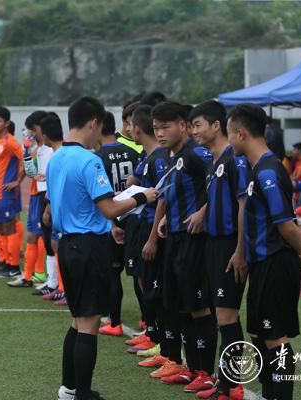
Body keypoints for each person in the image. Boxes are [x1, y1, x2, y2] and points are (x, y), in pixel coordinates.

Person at [47, 96, 156, 400]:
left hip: (67, 245)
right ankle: (82, 392)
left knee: (77, 320)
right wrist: (142, 196)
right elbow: (109, 208)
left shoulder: (56, 158)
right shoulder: (89, 160)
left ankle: (69, 389)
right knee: (89, 323)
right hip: (89, 247)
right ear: (94, 122)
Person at [228, 103, 301, 400]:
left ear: (241, 133)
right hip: (262, 263)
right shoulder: (259, 168)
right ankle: (268, 393)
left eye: (230, 133)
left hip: (275, 263)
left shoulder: (267, 171)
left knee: (275, 337)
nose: (229, 140)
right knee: (258, 333)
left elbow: (286, 223)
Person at [149, 102, 216, 391]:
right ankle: (190, 368)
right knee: (182, 306)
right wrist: (165, 219)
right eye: (156, 128)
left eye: (165, 127)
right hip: (174, 239)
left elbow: (221, 182)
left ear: (183, 126)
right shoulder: (170, 156)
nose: (160, 133)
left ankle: (207, 372)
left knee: (199, 308)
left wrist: (203, 211)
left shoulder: (196, 153)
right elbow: (171, 193)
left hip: (193, 240)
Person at [189, 100, 248, 398]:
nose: (194, 131)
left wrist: (240, 250)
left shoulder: (234, 160)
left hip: (228, 245)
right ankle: (225, 382)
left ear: (216, 125)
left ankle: (230, 386)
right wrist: (203, 211)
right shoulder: (214, 162)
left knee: (227, 317)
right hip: (212, 245)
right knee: (221, 315)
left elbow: (243, 205)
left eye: (198, 125)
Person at [127, 104, 171, 367]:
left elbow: (163, 197)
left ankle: (162, 341)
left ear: (137, 128)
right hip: (142, 224)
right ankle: (154, 334)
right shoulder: (149, 156)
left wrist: (153, 236)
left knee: (155, 286)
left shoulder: (160, 158)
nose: (127, 129)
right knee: (144, 281)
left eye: (129, 124)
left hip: (153, 227)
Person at [95, 111, 141, 336]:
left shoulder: (97, 157)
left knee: (113, 272)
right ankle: (146, 321)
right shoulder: (133, 152)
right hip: (136, 217)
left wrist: (112, 222)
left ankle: (114, 323)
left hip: (113, 220)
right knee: (139, 275)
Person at [8, 110, 52, 288]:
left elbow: (39, 174)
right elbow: (31, 172)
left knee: (40, 236)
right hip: (35, 195)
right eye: (29, 130)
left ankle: (40, 273)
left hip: (44, 196)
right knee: (33, 235)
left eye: (33, 129)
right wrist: (26, 151)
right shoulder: (37, 149)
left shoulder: (49, 150)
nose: (31, 133)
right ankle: (29, 275)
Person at [0, 107, 24, 278]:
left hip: (6, 193)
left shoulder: (11, 142)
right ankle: (4, 261)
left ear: (7, 123)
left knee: (9, 227)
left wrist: (17, 181)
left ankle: (13, 266)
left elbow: (26, 158)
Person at [33, 112, 65, 297]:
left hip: (58, 205)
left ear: (44, 135)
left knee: (59, 244)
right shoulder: (52, 152)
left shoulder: (60, 154)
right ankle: (57, 285)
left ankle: (63, 288)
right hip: (50, 201)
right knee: (52, 243)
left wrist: (49, 207)